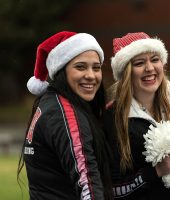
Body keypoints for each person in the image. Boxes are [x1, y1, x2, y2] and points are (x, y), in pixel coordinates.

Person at [103, 32, 170, 199]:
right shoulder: (111, 118)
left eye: (155, 60)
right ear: (126, 72)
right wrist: (156, 172)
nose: (149, 68)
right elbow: (111, 190)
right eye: (139, 63)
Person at [17, 31, 113, 200]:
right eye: (80, 67)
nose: (91, 75)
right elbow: (88, 184)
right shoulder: (66, 113)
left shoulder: (49, 102)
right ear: (61, 71)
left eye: (96, 68)